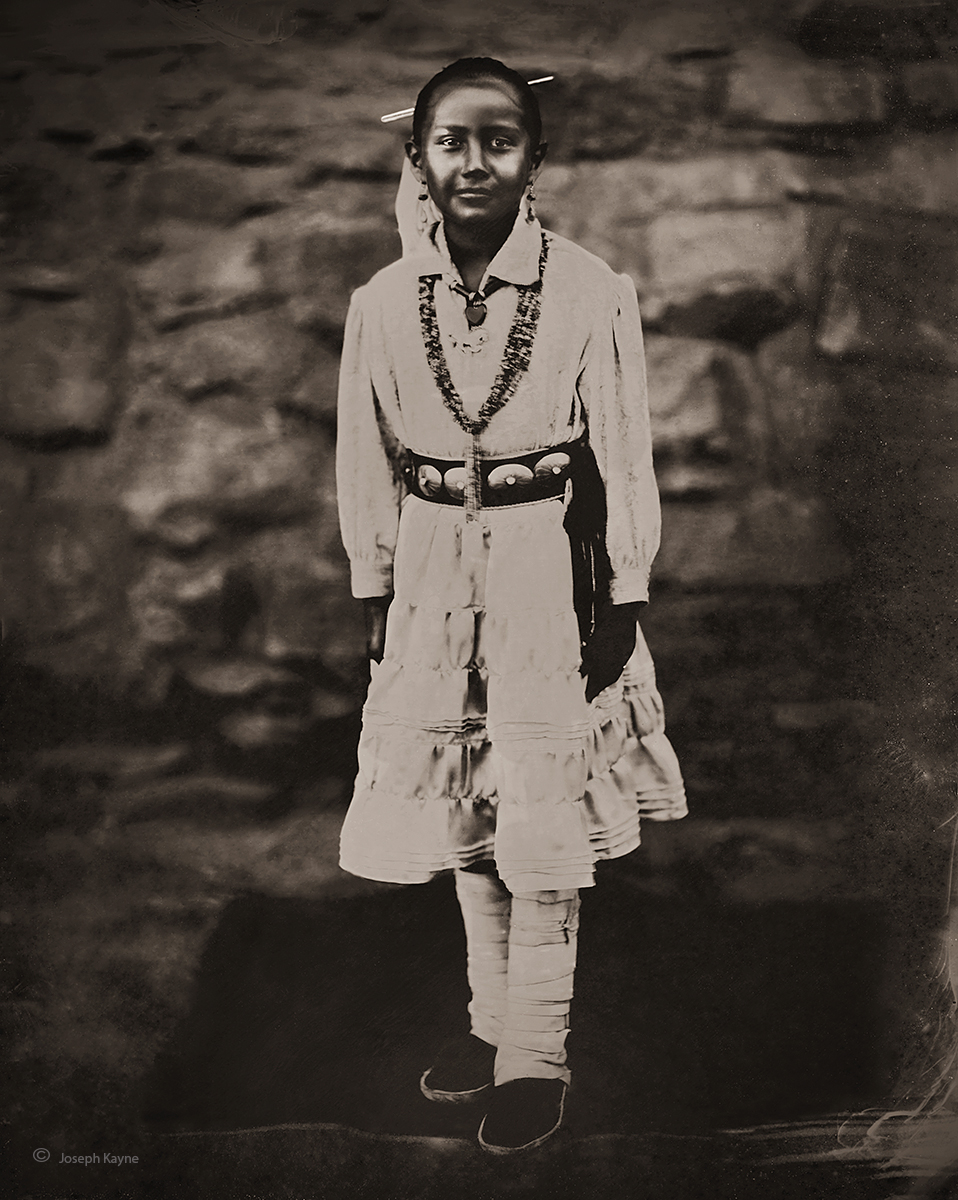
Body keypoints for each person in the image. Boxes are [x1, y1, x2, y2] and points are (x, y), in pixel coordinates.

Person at [335, 57, 687, 1154]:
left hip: (548, 575)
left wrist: (623, 592)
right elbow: (365, 459)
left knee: (538, 820)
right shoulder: (382, 304)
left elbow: (624, 456)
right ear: (418, 160)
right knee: (466, 816)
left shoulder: (590, 290)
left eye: (499, 139)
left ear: (534, 160)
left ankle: (538, 1054)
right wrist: (375, 586)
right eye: (452, 141)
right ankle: (492, 1032)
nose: (474, 161)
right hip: (437, 580)